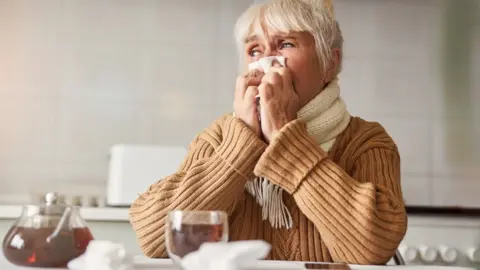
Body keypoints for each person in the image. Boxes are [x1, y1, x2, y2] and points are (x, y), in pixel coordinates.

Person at [129, 0, 407, 265]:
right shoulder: (219, 137)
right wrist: (243, 143)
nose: (267, 64)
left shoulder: (366, 141)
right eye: (254, 51)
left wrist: (285, 137)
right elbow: (156, 240)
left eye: (285, 44)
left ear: (329, 64)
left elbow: (373, 250)